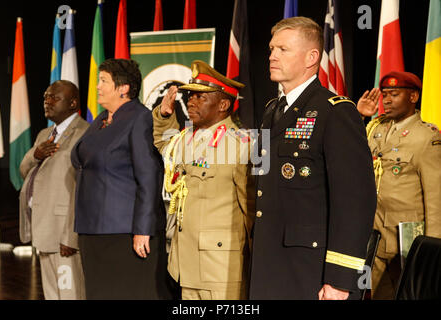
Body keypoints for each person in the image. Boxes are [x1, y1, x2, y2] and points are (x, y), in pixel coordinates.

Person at [249, 17, 377, 300]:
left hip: (313, 270)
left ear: (311, 57)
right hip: (272, 262)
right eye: (271, 49)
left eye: (283, 49)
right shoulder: (273, 109)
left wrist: (341, 279)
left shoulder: (335, 112)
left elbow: (355, 201)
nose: (272, 56)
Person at [71, 58, 173, 300]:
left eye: (103, 81)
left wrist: (142, 230)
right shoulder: (101, 120)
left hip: (124, 233)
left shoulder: (139, 118)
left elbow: (148, 177)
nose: (97, 86)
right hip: (92, 230)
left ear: (123, 88)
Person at [152, 60, 255, 300]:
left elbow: (253, 210)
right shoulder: (187, 138)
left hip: (221, 268)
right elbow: (165, 147)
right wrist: (165, 115)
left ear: (223, 104)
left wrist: (258, 261)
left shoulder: (243, 146)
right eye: (190, 96)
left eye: (200, 97)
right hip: (186, 265)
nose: (191, 101)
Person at [357, 71, 441, 299]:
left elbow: (436, 197)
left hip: (406, 237)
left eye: (394, 94)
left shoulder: (426, 137)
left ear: (413, 97)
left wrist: (431, 248)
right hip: (373, 234)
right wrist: (358, 117)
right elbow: (348, 155)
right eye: (384, 95)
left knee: (408, 294)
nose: (386, 101)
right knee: (373, 294)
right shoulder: (376, 129)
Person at [19, 80, 88, 300]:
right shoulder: (45, 134)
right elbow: (23, 170)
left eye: (54, 98)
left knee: (69, 294)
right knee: (51, 295)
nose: (47, 102)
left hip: (64, 233)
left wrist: (71, 236)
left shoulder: (84, 133)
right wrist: (35, 155)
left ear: (73, 103)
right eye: (46, 97)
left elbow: (82, 189)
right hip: (44, 227)